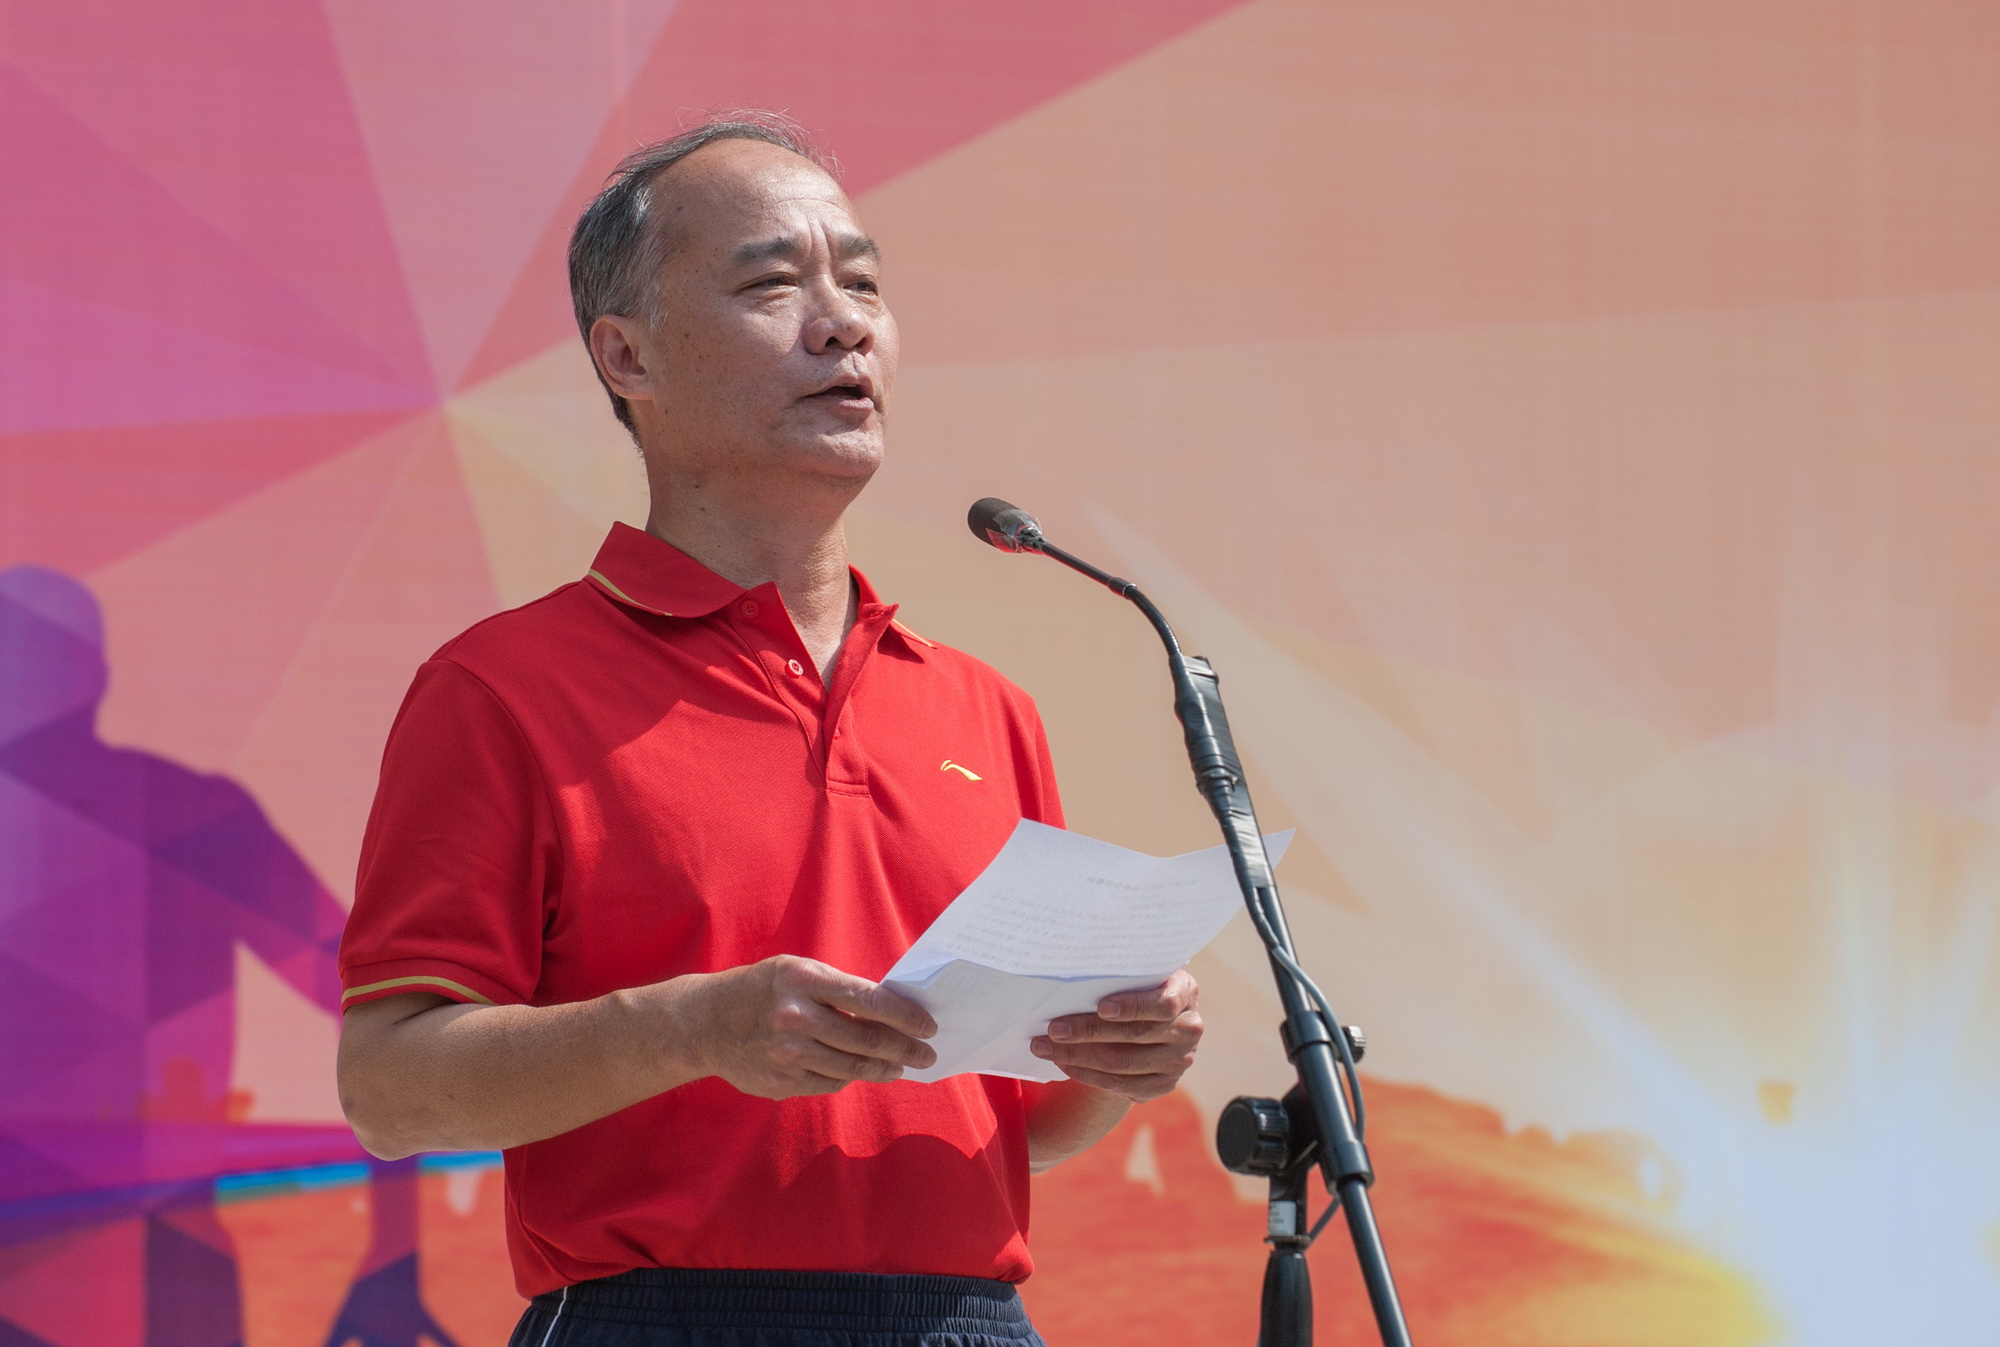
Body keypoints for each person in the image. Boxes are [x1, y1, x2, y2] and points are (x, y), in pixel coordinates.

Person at [335, 114, 1205, 1347]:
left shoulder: (981, 706)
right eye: (771, 285)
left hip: (971, 1322)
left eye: (863, 284)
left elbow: (1018, 1125)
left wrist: (1110, 1064)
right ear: (626, 356)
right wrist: (691, 1028)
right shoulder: (502, 687)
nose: (843, 324)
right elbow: (390, 1090)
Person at [0, 564, 457, 1347]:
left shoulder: (198, 819)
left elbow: (393, 1017)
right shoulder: (199, 816)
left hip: (163, 1281)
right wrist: (392, 1252)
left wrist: (393, 1253)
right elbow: (398, 1022)